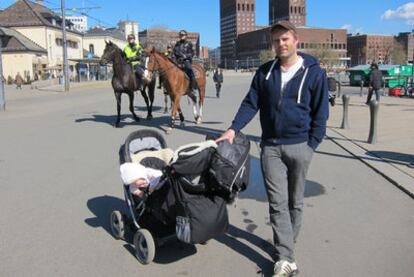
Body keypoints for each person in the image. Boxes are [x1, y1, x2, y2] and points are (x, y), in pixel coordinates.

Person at [216, 21, 328, 277]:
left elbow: (321, 113)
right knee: (278, 203)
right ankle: (286, 257)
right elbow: (250, 103)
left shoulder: (313, 72)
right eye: (277, 40)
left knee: (295, 203)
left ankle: (287, 245)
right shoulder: (265, 72)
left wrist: (311, 146)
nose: (281, 44)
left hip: (301, 146)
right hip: (271, 148)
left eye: (285, 39)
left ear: (295, 40)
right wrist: (233, 129)